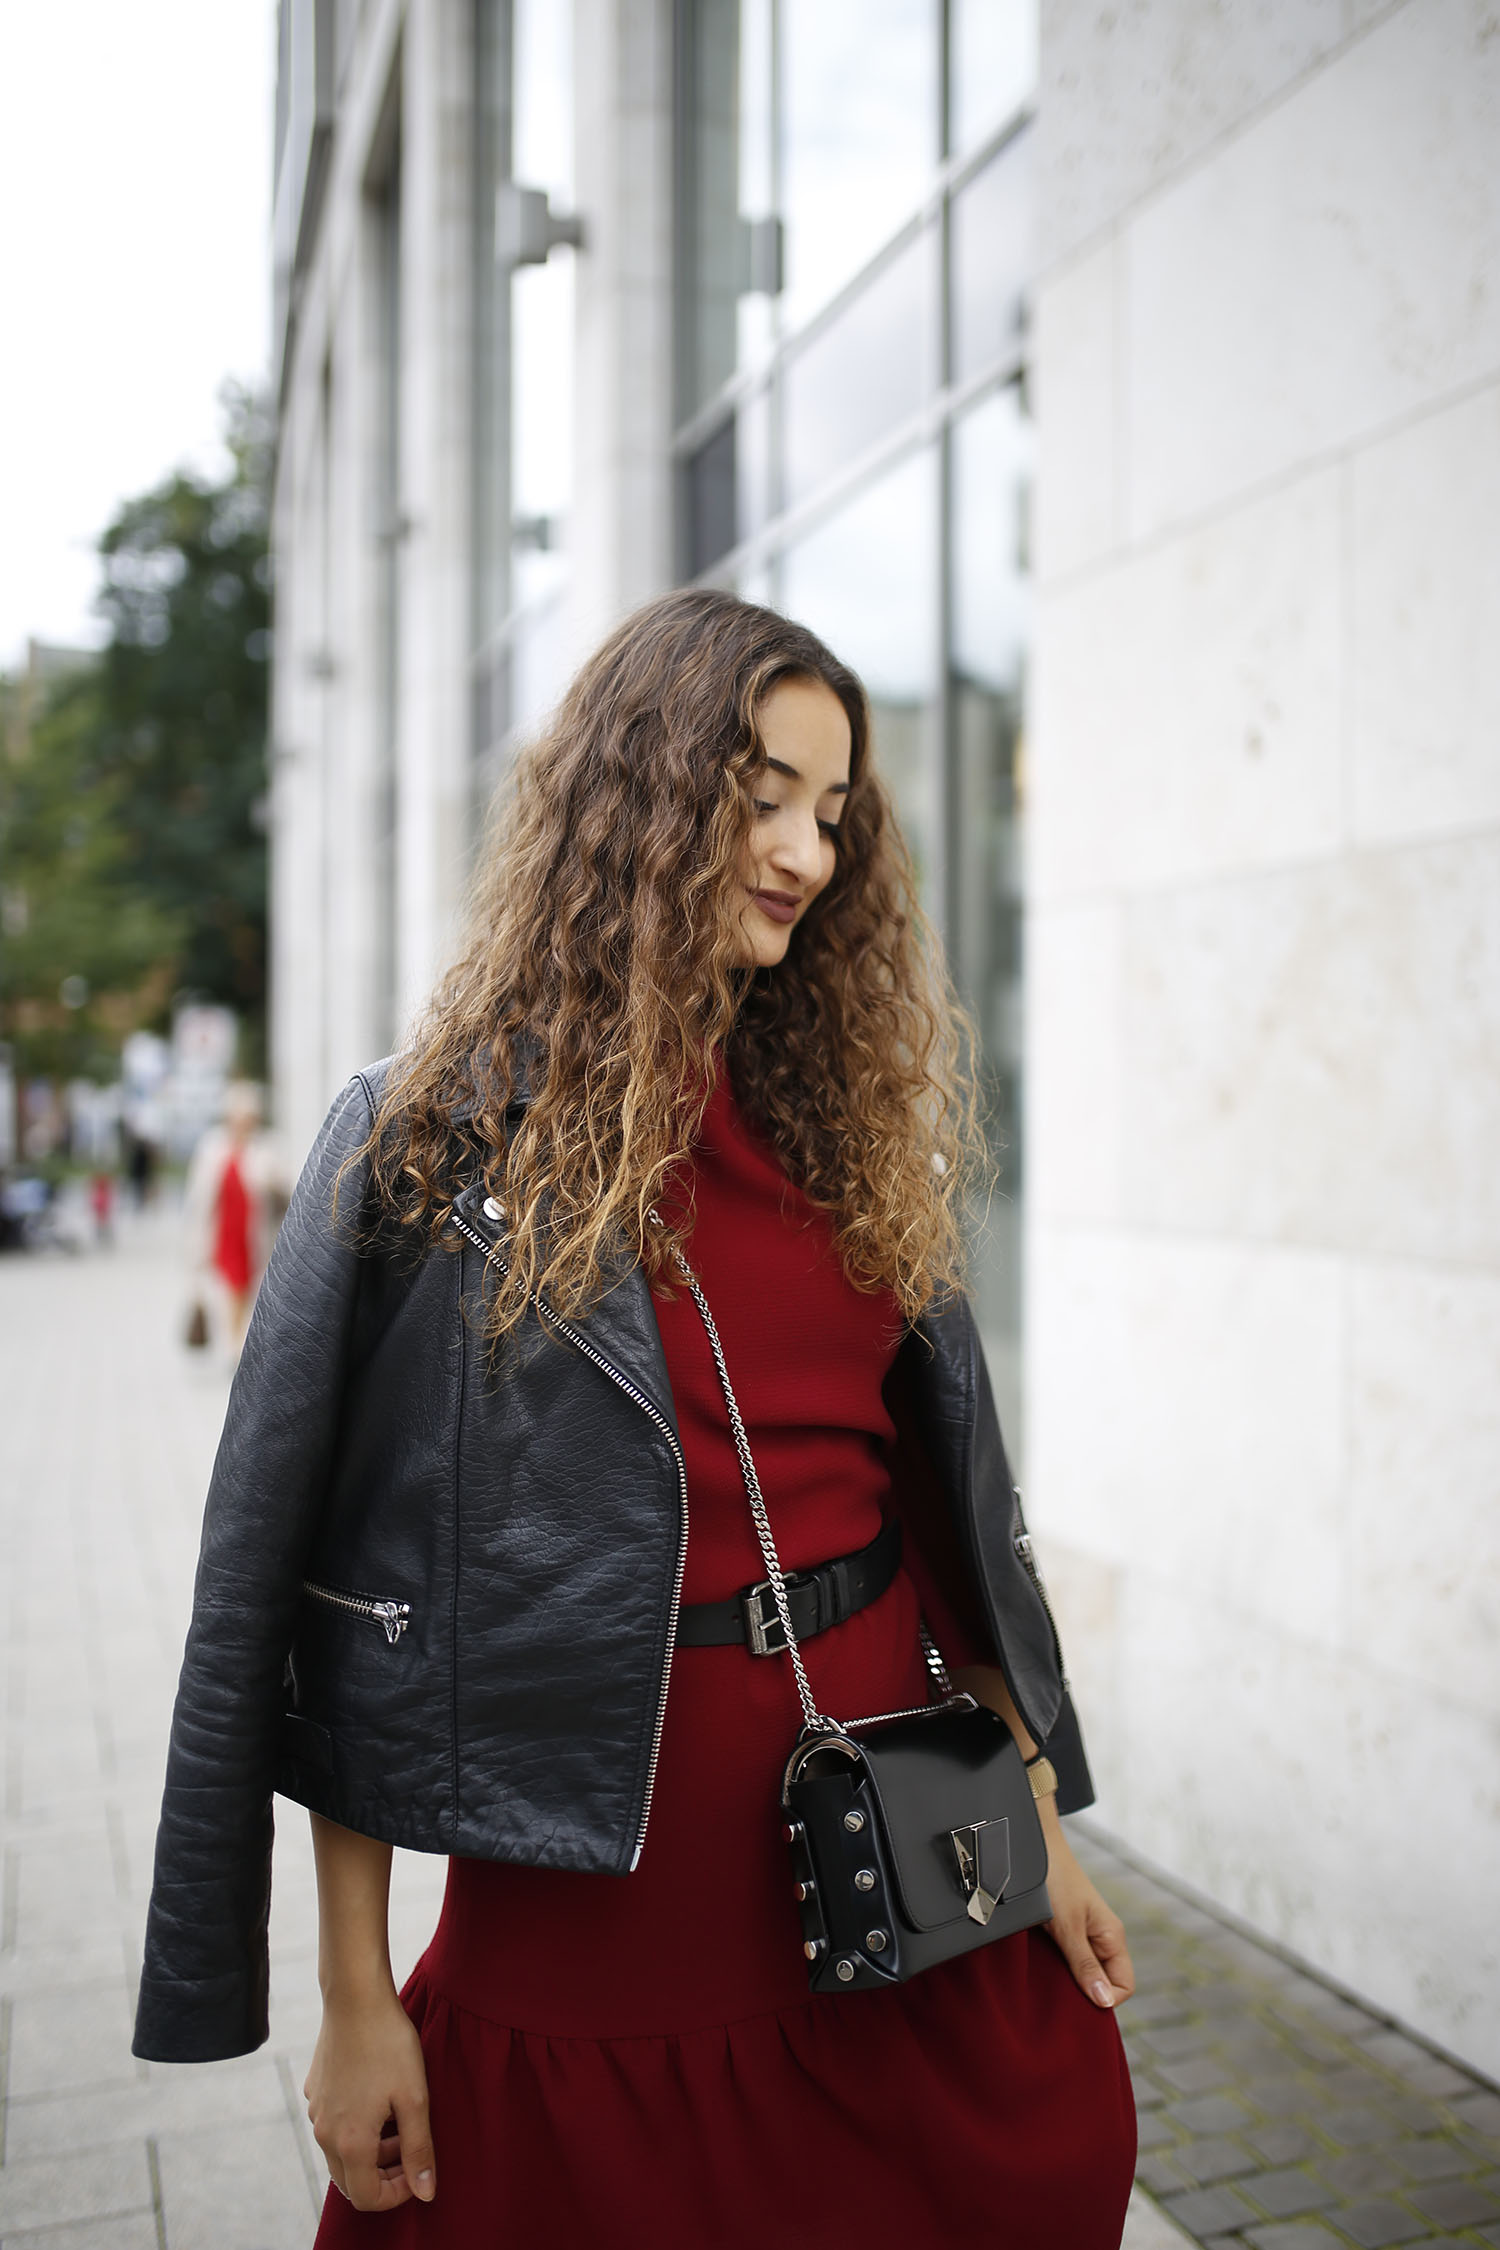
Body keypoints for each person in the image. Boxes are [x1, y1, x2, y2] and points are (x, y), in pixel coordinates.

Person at [132, 591, 1136, 2247]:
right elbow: (331, 1602)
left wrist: (1030, 1830)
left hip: (895, 1846)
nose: (806, 854)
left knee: (1040, 2159)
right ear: (645, 785)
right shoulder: (432, 1146)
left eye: (834, 812)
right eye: (761, 794)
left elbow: (947, 1529)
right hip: (606, 1913)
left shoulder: (846, 1131)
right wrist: (356, 1992)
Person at [182, 1080, 287, 1356]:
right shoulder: (212, 1147)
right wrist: (193, 1236)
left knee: (244, 1287)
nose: (241, 1123)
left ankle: (237, 1341)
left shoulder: (265, 1148)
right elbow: (198, 1197)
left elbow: (283, 1190)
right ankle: (234, 1342)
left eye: (246, 1117)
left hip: (252, 1232)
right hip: (222, 1230)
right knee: (231, 1287)